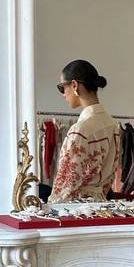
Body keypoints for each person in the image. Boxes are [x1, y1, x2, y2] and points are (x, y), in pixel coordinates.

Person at [49, 60, 119, 203]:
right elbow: (110, 176)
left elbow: (65, 184)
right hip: (100, 204)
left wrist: (52, 205)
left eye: (62, 87)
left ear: (74, 85)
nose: (63, 94)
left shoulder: (80, 130)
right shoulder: (111, 125)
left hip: (75, 207)